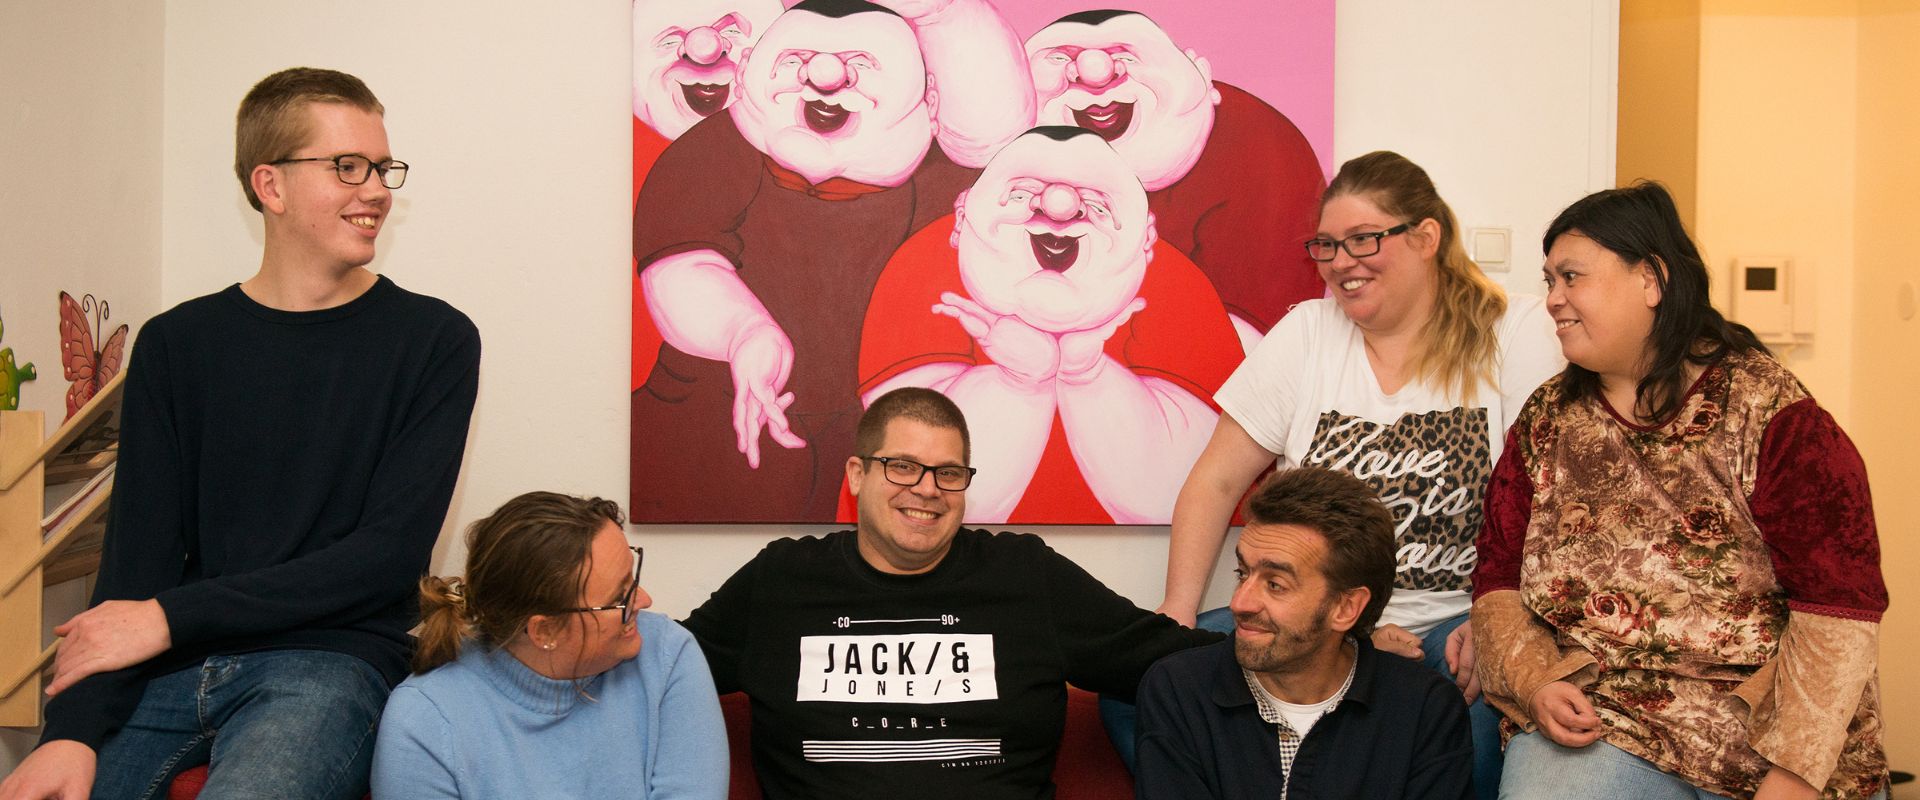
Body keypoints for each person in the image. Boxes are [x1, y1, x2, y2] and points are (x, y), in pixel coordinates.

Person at [0, 68, 481, 800]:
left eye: (383, 168)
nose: (378, 190)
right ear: (270, 185)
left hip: (329, 665)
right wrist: (70, 733)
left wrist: (169, 617)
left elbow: (384, 560)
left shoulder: (435, 340)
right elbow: (135, 560)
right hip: (169, 667)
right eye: (348, 166)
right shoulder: (176, 343)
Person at [1147, 151, 1563, 792]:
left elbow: (1553, 501)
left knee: (1475, 720)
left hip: (1450, 624)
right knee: (1143, 684)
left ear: (1426, 237)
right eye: (1327, 245)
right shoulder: (1307, 334)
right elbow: (1216, 481)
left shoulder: (1514, 330)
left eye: (1364, 239)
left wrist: (1500, 617)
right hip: (1310, 614)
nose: (1342, 261)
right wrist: (1178, 610)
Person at [1474, 182, 1888, 799]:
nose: (1553, 299)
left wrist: (1796, 772)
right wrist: (1534, 681)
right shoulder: (1547, 420)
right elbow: (1497, 578)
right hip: (1607, 719)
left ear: (1652, 279)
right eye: (1549, 280)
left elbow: (1838, 606)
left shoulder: (1771, 412)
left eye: (1571, 277)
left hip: (1767, 726)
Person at [681, 387, 1219, 798]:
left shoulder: (1025, 576)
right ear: (857, 475)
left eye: (949, 473)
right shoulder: (781, 581)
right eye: (903, 467)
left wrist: (1266, 638)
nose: (927, 489)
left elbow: (1172, 660)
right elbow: (665, 668)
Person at [630, 0, 1033, 522]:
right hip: (718, 409)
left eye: (860, 65)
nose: (825, 78)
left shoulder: (942, 180)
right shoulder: (716, 151)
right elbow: (681, 263)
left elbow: (997, 137)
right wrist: (744, 333)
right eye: (796, 61)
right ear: (752, 73)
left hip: (869, 430)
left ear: (928, 99)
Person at [854, 126, 1244, 523]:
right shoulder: (923, 268)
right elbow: (914, 491)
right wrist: (1018, 381)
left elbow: (1181, 493)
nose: (1060, 209)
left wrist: (1088, 375)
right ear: (961, 217)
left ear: (1146, 239)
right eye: (1021, 194)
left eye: (1097, 205)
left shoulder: (1177, 284)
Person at [1135, 466, 1474, 799]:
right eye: (1242, 573)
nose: (1239, 603)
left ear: (1345, 608)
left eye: (1275, 584)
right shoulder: (1179, 691)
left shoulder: (1424, 709)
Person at [371, 492, 726, 799]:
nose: (644, 600)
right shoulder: (426, 720)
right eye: (620, 598)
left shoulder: (667, 655)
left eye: (633, 578)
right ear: (544, 631)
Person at [1025, 10, 1327, 352]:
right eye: (1062, 58)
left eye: (1125, 55)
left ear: (1198, 72)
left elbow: (1249, 345)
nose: (1096, 74)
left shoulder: (1256, 141)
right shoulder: (1009, 167)